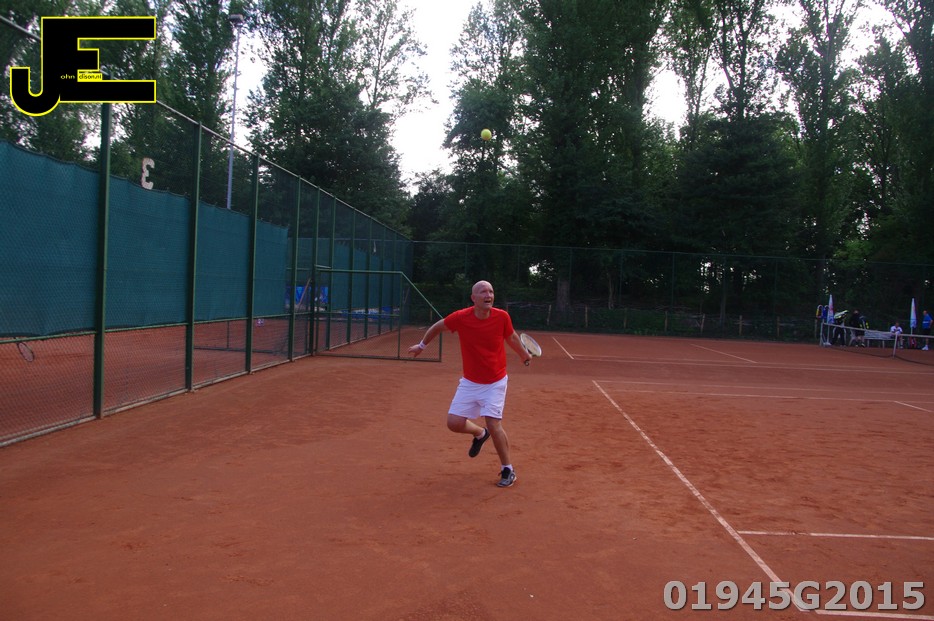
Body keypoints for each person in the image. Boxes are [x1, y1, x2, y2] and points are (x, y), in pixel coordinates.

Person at [408, 280, 531, 487]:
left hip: (495, 381)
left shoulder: (502, 317)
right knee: (454, 423)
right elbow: (437, 327)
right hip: (470, 381)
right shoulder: (461, 318)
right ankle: (480, 434)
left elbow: (511, 337)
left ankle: (507, 469)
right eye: (483, 292)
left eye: (491, 291)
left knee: (493, 422)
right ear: (473, 298)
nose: (488, 295)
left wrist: (523, 354)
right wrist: (421, 346)